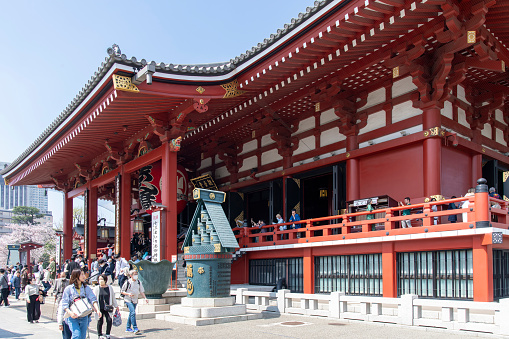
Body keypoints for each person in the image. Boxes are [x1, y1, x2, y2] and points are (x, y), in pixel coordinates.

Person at [61, 269, 100, 339]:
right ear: (76, 276)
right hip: (72, 316)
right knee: (76, 335)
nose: (84, 276)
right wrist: (70, 313)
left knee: (82, 337)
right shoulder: (69, 289)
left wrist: (97, 309)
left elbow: (93, 299)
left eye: (83, 274)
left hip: (84, 316)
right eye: (81, 274)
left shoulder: (86, 288)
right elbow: (64, 303)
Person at [121, 269, 149, 335]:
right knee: (133, 312)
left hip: (135, 299)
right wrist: (128, 294)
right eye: (134, 274)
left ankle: (128, 327)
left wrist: (145, 298)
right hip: (128, 299)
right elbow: (122, 291)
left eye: (136, 274)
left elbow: (141, 291)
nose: (136, 275)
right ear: (131, 275)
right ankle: (135, 327)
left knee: (131, 313)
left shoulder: (138, 282)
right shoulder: (128, 282)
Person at [93, 274, 119, 339]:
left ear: (105, 280)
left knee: (109, 320)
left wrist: (116, 305)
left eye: (102, 279)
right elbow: (93, 298)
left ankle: (108, 334)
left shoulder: (109, 288)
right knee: (100, 321)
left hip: (108, 307)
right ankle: (100, 334)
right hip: (100, 307)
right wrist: (94, 308)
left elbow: (113, 297)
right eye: (99, 279)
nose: (100, 281)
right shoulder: (96, 288)